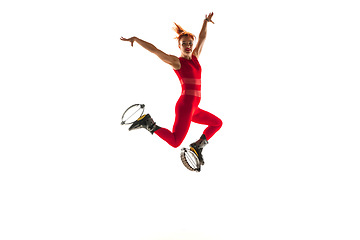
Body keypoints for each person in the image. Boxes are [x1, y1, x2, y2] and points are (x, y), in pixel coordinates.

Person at [120, 12, 222, 165]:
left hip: (194, 108)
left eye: (189, 43)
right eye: (184, 43)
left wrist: (205, 22)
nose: (188, 46)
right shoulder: (177, 62)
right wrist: (136, 39)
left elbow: (201, 39)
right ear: (179, 45)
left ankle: (197, 146)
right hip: (185, 106)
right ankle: (149, 123)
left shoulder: (195, 58)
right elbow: (155, 51)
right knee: (175, 142)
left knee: (217, 123)